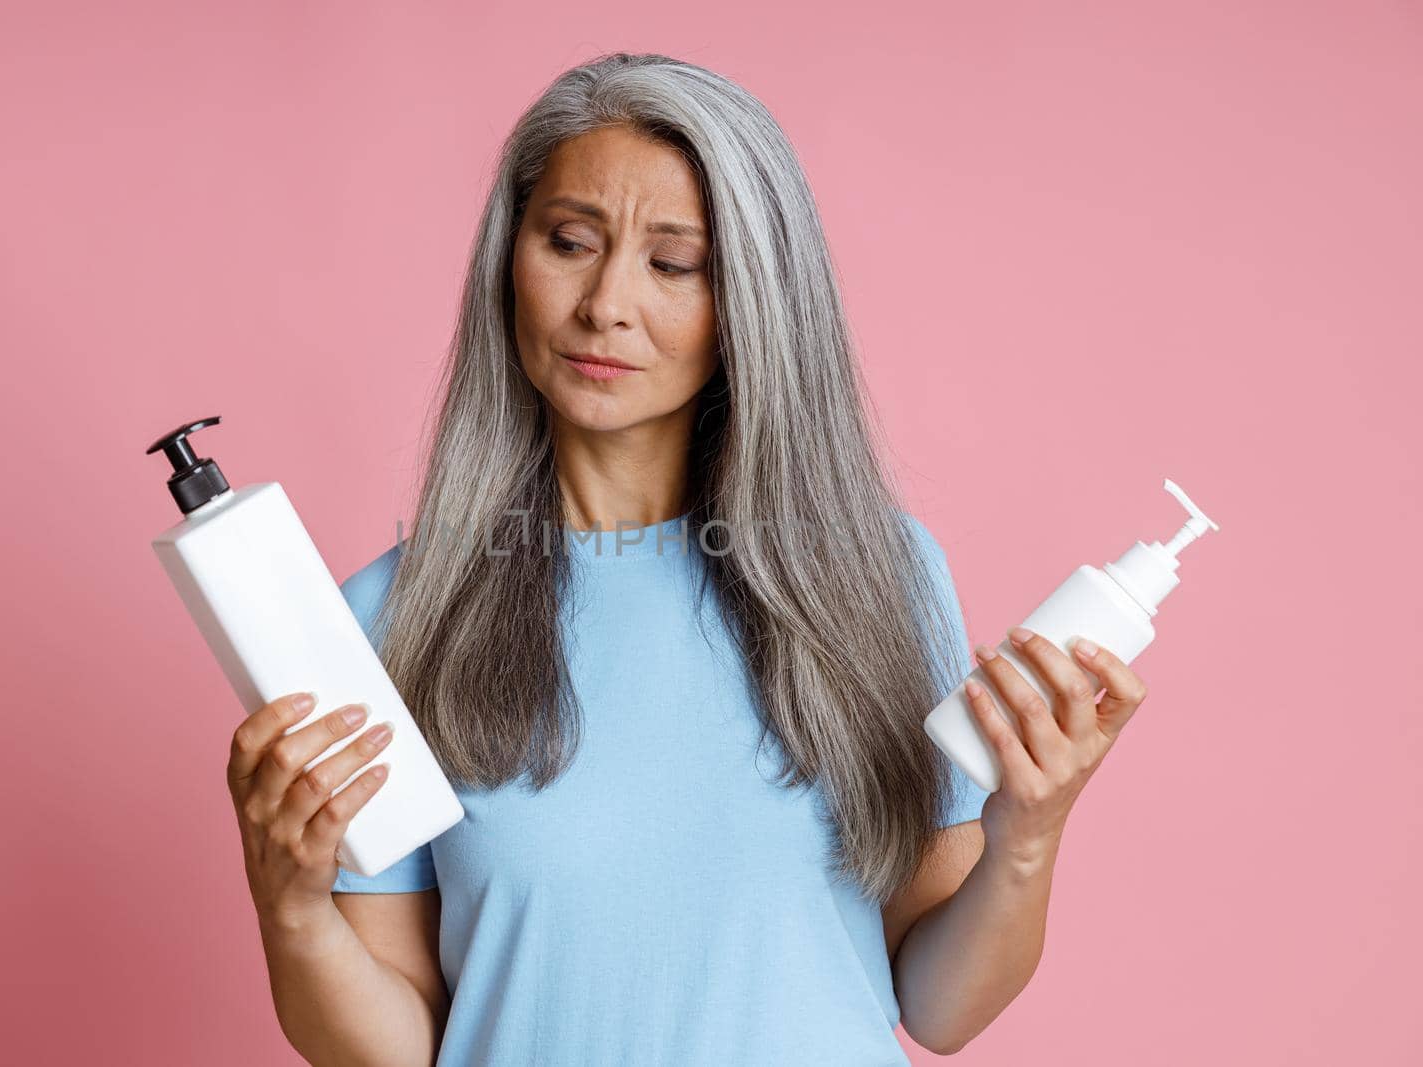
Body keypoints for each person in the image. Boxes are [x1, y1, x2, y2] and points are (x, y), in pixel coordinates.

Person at [225, 52, 1151, 1066]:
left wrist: (1026, 831)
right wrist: (295, 906)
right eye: (570, 242)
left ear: (750, 300)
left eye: (673, 264)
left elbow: (938, 1005)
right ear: (509, 255)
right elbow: (395, 1046)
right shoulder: (392, 615)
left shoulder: (874, 572)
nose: (605, 304)